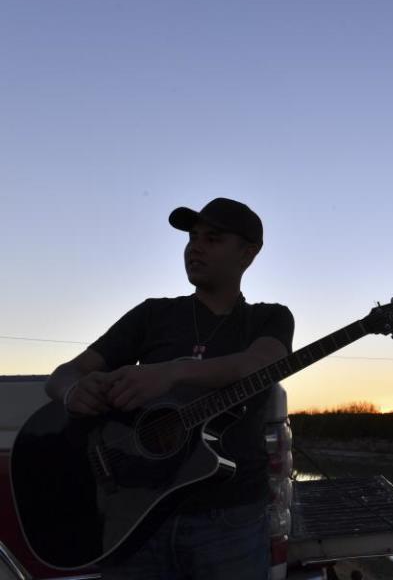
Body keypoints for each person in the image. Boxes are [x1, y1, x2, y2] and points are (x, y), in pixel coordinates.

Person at [45, 197, 294, 580]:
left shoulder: (269, 318)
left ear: (248, 253)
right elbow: (65, 373)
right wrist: (73, 392)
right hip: (137, 521)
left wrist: (172, 373)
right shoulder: (152, 314)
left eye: (212, 238)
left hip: (230, 522)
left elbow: (260, 363)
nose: (195, 247)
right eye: (192, 238)